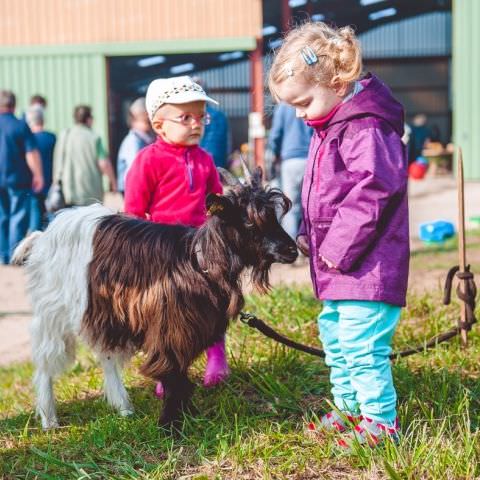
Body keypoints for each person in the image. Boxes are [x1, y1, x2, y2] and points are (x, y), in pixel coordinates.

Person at [268, 22, 409, 451]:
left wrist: (335, 246)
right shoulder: (328, 127)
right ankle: (349, 409)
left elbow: (375, 189)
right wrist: (311, 232)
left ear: (337, 81)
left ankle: (380, 421)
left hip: (368, 266)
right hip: (341, 268)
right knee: (337, 338)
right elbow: (322, 193)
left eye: (303, 102)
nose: (298, 114)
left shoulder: (365, 127)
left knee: (362, 345)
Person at [124, 76, 229, 395]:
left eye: (201, 117)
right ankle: (168, 368)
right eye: (186, 118)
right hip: (164, 253)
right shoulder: (147, 161)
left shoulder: (205, 160)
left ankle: (216, 354)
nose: (196, 124)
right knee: (168, 314)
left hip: (201, 248)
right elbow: (133, 212)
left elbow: (216, 202)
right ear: (159, 124)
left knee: (212, 303)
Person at [0, 90, 44, 264]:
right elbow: (31, 153)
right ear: (14, 105)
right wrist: (38, 174)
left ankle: (3, 255)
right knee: (18, 216)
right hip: (18, 179)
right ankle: (13, 255)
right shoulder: (20, 125)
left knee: (1, 216)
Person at [53, 105, 116, 206]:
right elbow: (104, 164)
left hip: (68, 192)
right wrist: (113, 183)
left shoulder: (65, 135)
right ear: (88, 119)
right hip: (91, 193)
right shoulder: (94, 138)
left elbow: (58, 162)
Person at [268, 103, 312, 239]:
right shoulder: (308, 101)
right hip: (311, 158)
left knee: (290, 205)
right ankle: (310, 243)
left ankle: (293, 244)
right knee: (311, 204)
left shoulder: (283, 106)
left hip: (290, 161)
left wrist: (274, 153)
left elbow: (276, 134)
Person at [25, 105, 56, 231]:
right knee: (51, 216)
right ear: (43, 120)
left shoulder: (27, 140)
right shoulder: (52, 137)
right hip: (50, 184)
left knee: (35, 220)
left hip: (33, 185)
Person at [116, 97, 154, 195]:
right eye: (147, 122)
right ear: (134, 121)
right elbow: (134, 169)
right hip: (131, 188)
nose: (151, 126)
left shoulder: (145, 139)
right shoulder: (133, 141)